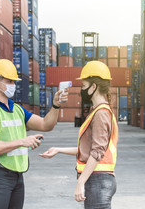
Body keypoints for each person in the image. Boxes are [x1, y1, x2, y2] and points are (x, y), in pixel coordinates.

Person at [0, 59, 68, 209]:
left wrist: (56, 105)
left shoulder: (17, 109)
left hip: (17, 176)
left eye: (14, 81)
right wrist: (22, 141)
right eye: (10, 81)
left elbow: (46, 125)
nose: (13, 85)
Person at [39, 61, 118, 209]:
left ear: (93, 87)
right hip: (99, 180)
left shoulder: (101, 113)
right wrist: (58, 150)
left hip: (98, 181)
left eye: (83, 86)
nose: (81, 90)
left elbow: (97, 152)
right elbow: (89, 149)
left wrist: (80, 182)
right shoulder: (99, 111)